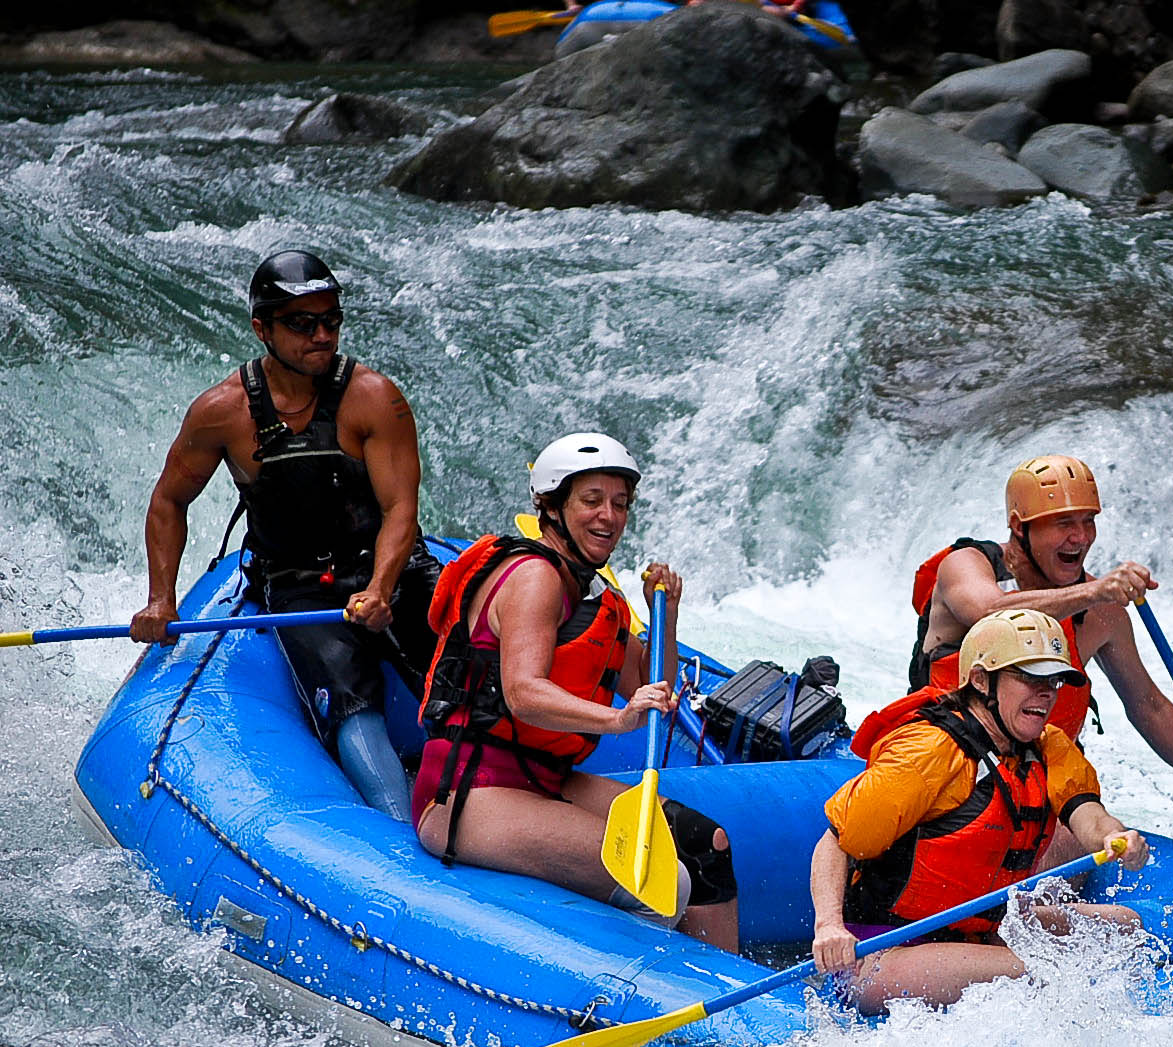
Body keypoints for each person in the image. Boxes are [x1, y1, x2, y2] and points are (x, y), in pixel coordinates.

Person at [133, 249, 441, 821]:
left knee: (468, 667)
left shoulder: (374, 397)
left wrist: (380, 586)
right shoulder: (222, 412)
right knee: (349, 701)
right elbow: (169, 501)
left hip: (388, 567)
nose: (322, 335)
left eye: (331, 321)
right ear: (262, 328)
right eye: (303, 324)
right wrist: (160, 598)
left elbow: (401, 508)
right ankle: (401, 833)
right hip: (300, 585)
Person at [411, 433, 740, 952]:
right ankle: (645, 1004)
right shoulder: (534, 577)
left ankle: (726, 1000)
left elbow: (652, 688)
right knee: (662, 882)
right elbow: (523, 693)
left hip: (542, 776)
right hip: (472, 790)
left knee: (705, 844)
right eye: (591, 501)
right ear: (552, 506)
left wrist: (666, 615)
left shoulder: (590, 588)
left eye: (620, 503)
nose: (608, 516)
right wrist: (615, 721)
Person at [910, 454, 1173, 853]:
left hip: (1040, 786)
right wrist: (1096, 592)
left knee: (1089, 844)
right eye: (1064, 523)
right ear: (1019, 526)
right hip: (949, 771)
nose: (1081, 537)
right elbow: (988, 613)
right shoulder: (966, 566)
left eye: (1088, 521)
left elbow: (1148, 706)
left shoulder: (1102, 611)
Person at [811, 609, 1152, 1012]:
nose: (1046, 693)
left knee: (1125, 925)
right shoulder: (929, 754)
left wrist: (1113, 836)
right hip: (882, 952)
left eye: (1053, 681)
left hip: (978, 932)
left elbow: (1087, 814)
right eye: (1029, 677)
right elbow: (835, 843)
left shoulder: (1049, 747)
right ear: (980, 679)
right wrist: (829, 927)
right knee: (1039, 971)